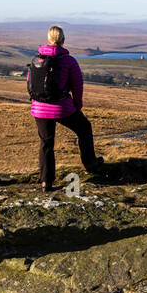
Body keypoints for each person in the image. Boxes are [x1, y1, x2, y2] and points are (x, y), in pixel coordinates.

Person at [26, 25, 103, 192]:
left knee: (46, 143)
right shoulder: (68, 60)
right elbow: (77, 85)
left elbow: (30, 82)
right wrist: (77, 106)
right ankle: (91, 164)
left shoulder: (37, 59)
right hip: (62, 107)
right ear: (63, 40)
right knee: (84, 128)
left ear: (48, 39)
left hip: (39, 108)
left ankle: (46, 182)